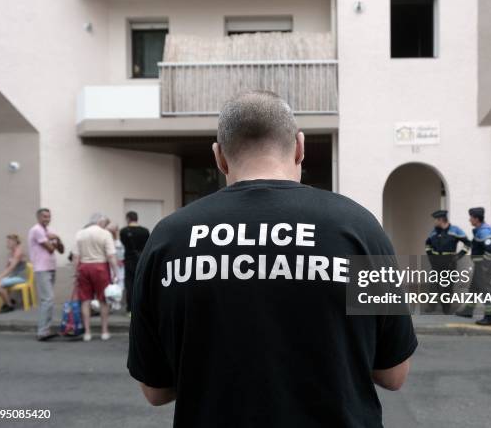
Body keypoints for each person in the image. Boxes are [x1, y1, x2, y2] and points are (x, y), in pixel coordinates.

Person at [128, 90, 417, 428]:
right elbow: (394, 374)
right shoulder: (360, 230)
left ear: (219, 157)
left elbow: (156, 391)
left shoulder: (168, 238)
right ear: (300, 147)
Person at [74, 213, 119, 341]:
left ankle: (87, 332)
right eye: (104, 223)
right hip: (101, 268)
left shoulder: (80, 233)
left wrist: (76, 271)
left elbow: (76, 256)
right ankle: (104, 331)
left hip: (83, 267)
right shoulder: (105, 234)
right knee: (103, 300)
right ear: (100, 222)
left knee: (85, 301)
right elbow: (111, 255)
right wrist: (115, 271)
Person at [455, 207, 491, 326]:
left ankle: (489, 317)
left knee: (486, 291)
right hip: (481, 265)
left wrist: (485, 266)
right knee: (474, 288)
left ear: (476, 218)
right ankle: (468, 311)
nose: (469, 220)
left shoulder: (484, 232)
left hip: (483, 266)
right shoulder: (481, 229)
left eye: (471, 217)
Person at [424, 210, 471, 314]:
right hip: (436, 262)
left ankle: (446, 309)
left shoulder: (455, 230)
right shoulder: (435, 231)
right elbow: (427, 244)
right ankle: (431, 307)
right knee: (433, 286)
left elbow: (468, 243)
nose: (434, 222)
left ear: (441, 220)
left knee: (447, 286)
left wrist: (459, 256)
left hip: (449, 262)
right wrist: (430, 256)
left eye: (435, 220)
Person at [28, 208, 64, 341]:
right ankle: (42, 331)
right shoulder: (36, 230)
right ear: (38, 217)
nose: (47, 219)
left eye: (48, 216)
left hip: (50, 268)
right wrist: (53, 241)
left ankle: (46, 329)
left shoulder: (49, 231)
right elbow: (49, 249)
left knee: (47, 300)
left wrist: (57, 238)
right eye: (44, 216)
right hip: (41, 268)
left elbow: (61, 250)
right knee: (47, 299)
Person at [0, 234, 27, 312]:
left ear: (15, 242)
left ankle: (9, 306)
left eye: (9, 241)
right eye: (7, 241)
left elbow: (11, 267)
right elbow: (7, 268)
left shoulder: (19, 252)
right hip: (12, 276)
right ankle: (6, 298)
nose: (7, 243)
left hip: (21, 277)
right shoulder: (10, 253)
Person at [120, 211, 149, 314]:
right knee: (142, 282)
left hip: (129, 260)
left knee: (130, 284)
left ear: (128, 219)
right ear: (137, 218)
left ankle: (130, 309)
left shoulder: (123, 231)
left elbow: (123, 244)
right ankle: (143, 307)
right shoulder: (145, 231)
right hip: (142, 260)